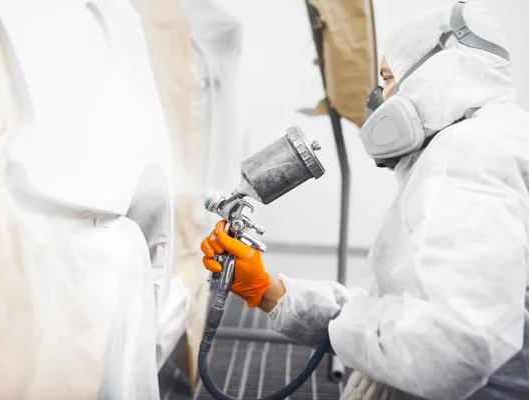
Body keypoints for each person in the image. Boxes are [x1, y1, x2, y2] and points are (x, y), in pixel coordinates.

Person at [200, 2, 529, 399]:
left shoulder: (469, 154)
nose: (379, 97)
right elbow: (398, 312)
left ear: (436, 71)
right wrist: (268, 291)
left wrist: (340, 330)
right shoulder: (490, 141)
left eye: (388, 78)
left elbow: (450, 346)